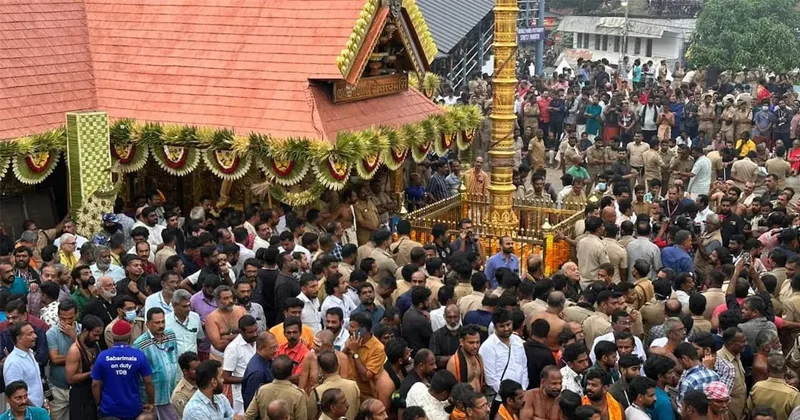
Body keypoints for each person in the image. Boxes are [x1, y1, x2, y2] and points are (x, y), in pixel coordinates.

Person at [91, 320, 155, 419]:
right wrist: (151, 403)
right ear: (129, 337)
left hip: (108, 409)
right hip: (133, 409)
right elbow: (148, 382)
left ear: (113, 337)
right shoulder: (139, 356)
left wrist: (98, 403)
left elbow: (95, 384)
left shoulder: (102, 356)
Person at [480, 308, 528, 417]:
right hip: (500, 399)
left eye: (508, 324)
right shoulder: (488, 347)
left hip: (519, 398)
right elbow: (491, 378)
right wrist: (509, 395)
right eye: (502, 326)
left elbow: (523, 368)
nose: (506, 329)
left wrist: (522, 390)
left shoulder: (518, 341)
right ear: (495, 327)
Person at [133, 308, 179, 420]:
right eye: (157, 323)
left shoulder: (170, 335)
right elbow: (138, 375)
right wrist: (149, 401)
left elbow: (175, 356)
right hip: (155, 397)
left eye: (163, 321)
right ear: (147, 324)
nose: (161, 325)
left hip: (172, 391)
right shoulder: (140, 344)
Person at [46, 299, 81, 420]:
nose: (66, 322)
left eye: (70, 318)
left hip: (78, 387)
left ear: (77, 315)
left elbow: (90, 356)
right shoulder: (52, 333)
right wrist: (77, 358)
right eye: (63, 319)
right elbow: (55, 359)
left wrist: (74, 337)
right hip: (58, 388)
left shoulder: (82, 330)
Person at [245, 355, 308, 420]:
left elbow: (249, 415)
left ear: (272, 371)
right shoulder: (298, 395)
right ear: (291, 372)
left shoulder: (262, 390)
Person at [65, 314, 103, 420]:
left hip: (93, 393)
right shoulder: (75, 351)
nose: (97, 338)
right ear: (85, 331)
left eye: (99, 335)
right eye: (95, 335)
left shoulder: (94, 344)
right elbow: (70, 378)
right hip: (80, 397)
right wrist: (92, 373)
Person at [344, 311, 385, 399]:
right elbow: (339, 360)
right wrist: (346, 349)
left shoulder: (378, 348)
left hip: (365, 397)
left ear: (363, 330)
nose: (349, 330)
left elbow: (365, 377)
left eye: (352, 327)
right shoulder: (352, 339)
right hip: (348, 393)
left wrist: (355, 353)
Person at [223, 315, 259, 413]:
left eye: (256, 330)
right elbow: (225, 378)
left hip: (259, 391)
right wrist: (248, 379)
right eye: (251, 332)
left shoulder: (258, 341)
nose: (255, 334)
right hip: (242, 395)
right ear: (241, 332)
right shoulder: (233, 348)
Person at [746, 355, 800, 420]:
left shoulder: (757, 387)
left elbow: (749, 409)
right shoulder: (793, 394)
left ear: (767, 370)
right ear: (785, 370)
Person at [3, 321, 43, 407]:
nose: (35, 336)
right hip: (25, 411)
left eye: (33, 332)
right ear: (19, 339)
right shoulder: (13, 362)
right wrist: (35, 411)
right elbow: (15, 393)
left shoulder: (30, 353)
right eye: (30, 334)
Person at [242, 331, 278, 410]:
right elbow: (250, 402)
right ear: (261, 348)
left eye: (276, 346)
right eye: (272, 348)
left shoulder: (268, 360)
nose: (276, 350)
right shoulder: (257, 372)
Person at [165, 289, 204, 357]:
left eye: (189, 305)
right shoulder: (166, 320)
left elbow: (199, 338)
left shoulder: (195, 317)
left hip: (193, 361)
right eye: (184, 306)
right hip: (174, 361)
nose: (188, 309)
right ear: (174, 305)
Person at [644, 355, 677, 420]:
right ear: (660, 376)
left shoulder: (645, 391)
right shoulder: (664, 402)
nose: (673, 375)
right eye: (670, 373)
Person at [170, 352, 200, 418]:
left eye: (200, 367)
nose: (200, 371)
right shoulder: (180, 394)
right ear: (185, 371)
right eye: (195, 369)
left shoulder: (203, 381)